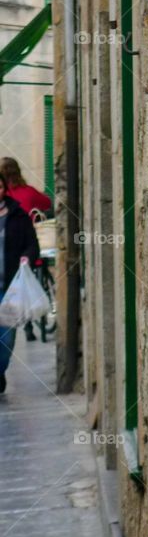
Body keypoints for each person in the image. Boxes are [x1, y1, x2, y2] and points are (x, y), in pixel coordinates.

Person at [0, 158, 51, 341]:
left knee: (5, 336)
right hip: (25, 259)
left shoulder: (11, 204)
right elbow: (47, 203)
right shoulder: (28, 192)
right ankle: (29, 326)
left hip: (11, 269)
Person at [0, 171, 39, 394]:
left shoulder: (18, 216)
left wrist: (27, 256)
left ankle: (0, 370)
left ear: (4, 188)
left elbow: (32, 244)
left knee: (6, 340)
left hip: (10, 289)